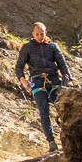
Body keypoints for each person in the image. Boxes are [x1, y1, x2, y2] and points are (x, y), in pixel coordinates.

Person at [15, 22, 71, 153]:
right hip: (37, 81)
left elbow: (62, 64)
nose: (40, 36)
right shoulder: (27, 47)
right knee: (44, 111)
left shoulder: (53, 46)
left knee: (62, 109)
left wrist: (67, 78)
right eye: (37, 34)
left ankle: (69, 138)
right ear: (33, 34)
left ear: (46, 32)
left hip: (53, 80)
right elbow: (19, 66)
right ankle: (51, 142)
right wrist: (23, 81)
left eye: (42, 34)